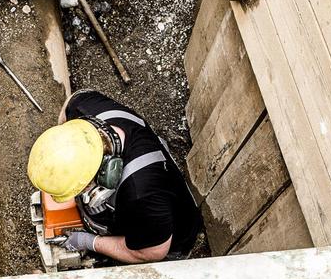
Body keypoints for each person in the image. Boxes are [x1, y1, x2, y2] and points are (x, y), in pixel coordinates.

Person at [27, 89, 202, 264]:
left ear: (104, 173)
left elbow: (151, 253)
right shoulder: (82, 106)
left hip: (165, 240)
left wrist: (89, 242)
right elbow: (68, 104)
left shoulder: (142, 195)